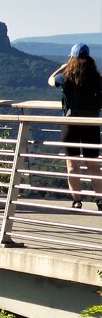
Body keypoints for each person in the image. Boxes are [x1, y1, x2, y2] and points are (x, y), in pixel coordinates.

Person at [48, 43, 102, 209]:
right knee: (93, 164)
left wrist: (60, 68)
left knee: (72, 165)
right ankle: (100, 200)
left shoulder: (66, 76)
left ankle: (77, 200)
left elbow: (50, 81)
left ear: (72, 57)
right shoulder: (96, 78)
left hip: (70, 124)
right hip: (91, 124)